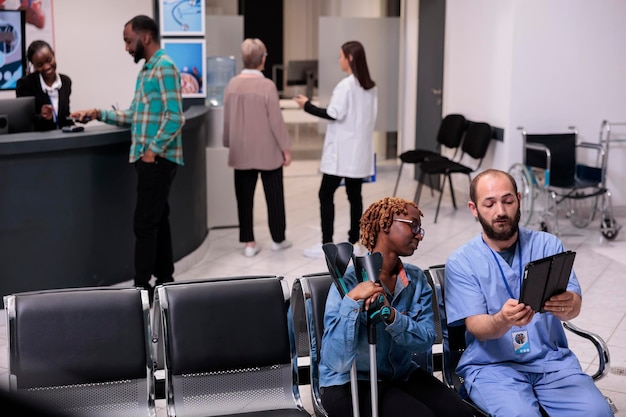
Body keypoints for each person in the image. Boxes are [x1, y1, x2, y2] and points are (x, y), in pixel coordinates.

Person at [445, 169, 614, 417]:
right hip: (493, 367)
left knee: (597, 413)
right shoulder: (462, 262)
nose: (500, 211)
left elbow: (574, 305)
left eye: (508, 201)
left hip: (551, 363)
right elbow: (476, 326)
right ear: (474, 208)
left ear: (519, 200)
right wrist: (502, 320)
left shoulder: (548, 246)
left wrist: (569, 305)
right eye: (489, 204)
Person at [319, 196, 475, 417]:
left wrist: (391, 316)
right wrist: (352, 301)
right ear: (385, 224)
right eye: (413, 225)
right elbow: (337, 361)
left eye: (421, 228)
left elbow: (424, 341)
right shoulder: (349, 282)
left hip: (401, 373)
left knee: (461, 413)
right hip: (349, 382)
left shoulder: (416, 279)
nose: (419, 234)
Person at [71, 15, 185, 299]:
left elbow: (175, 117)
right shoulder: (147, 70)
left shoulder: (165, 68)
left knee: (144, 223)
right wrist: (99, 113)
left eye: (127, 40)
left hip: (158, 160)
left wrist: (151, 151)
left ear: (145, 37)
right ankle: (165, 280)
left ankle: (141, 289)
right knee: (158, 220)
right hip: (150, 160)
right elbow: (134, 115)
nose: (126, 47)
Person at [294, 40, 377, 259]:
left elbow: (333, 113)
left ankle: (327, 246)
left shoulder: (346, 85)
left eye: (341, 56)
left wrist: (306, 106)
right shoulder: (369, 87)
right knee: (354, 195)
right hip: (358, 152)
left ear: (349, 58)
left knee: (325, 194)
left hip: (342, 154)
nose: (339, 60)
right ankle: (355, 243)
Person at [222, 38, 292, 257]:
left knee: (244, 198)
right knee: (274, 195)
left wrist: (228, 142)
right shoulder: (267, 86)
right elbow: (276, 122)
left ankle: (249, 243)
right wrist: (285, 149)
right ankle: (278, 239)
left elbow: (227, 120)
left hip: (240, 150)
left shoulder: (232, 85)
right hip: (267, 151)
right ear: (262, 60)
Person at [16, 40, 74, 131]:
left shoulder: (65, 82)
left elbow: (65, 116)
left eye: (49, 60)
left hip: (62, 138)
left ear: (53, 55)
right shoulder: (25, 84)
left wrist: (75, 119)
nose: (47, 67)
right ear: (34, 65)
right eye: (39, 65)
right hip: (38, 140)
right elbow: (25, 121)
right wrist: (42, 117)